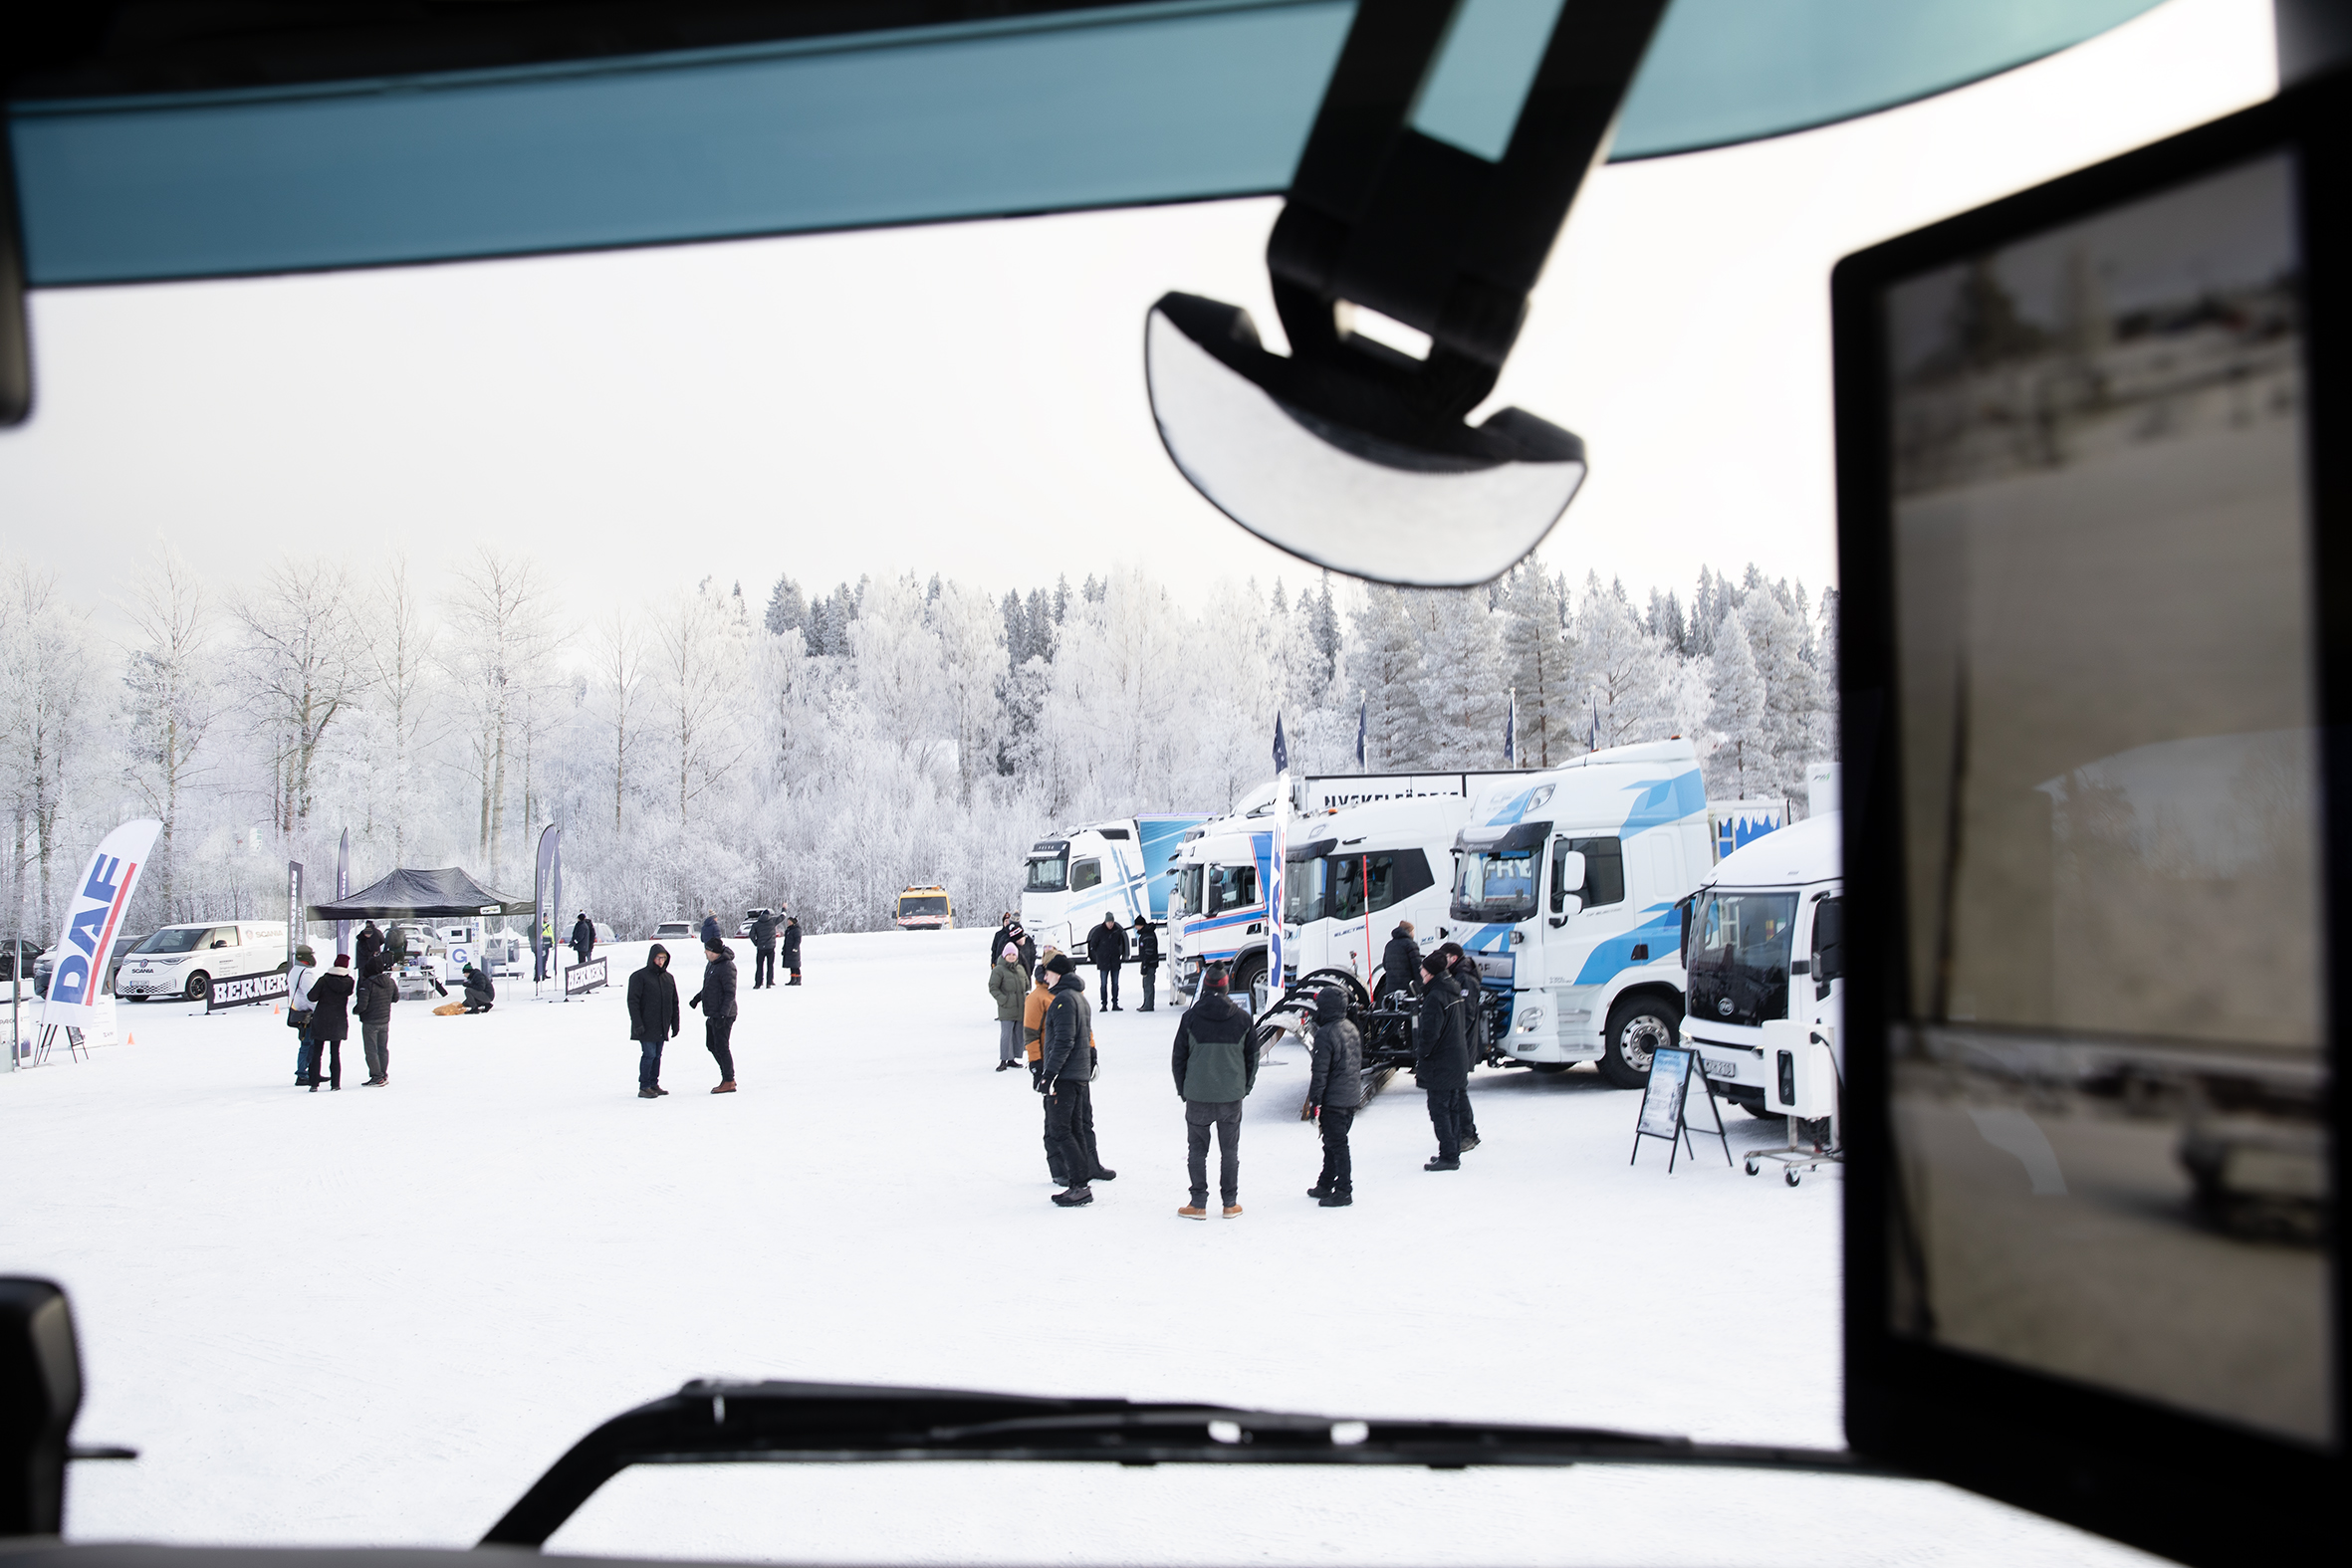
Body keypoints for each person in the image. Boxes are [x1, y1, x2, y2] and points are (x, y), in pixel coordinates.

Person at [1171, 962, 1256, 1220]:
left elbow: (1178, 1059)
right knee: (1230, 1151)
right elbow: (1252, 1058)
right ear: (1226, 987)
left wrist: (1184, 1089)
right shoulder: (1243, 1018)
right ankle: (1230, 1204)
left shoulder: (1190, 1017)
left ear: (1205, 987)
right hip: (1231, 1096)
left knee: (1197, 1150)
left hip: (1198, 1095)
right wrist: (1245, 1087)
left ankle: (1198, 1203)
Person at [1038, 954, 1112, 1207]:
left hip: (1066, 1077)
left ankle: (1079, 1184)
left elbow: (1064, 1041)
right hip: (1078, 1076)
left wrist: (1049, 1075)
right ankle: (1080, 1182)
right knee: (1076, 1128)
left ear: (1058, 974)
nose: (1044, 977)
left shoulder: (1063, 1000)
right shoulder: (1079, 998)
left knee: (1061, 1129)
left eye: (1047, 972)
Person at [1304, 986, 1364, 1207]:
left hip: (1334, 1099)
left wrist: (1314, 1101)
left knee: (1337, 1144)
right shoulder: (1351, 1027)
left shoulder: (1325, 1033)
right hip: (1349, 1097)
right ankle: (1325, 1183)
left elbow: (1320, 1072)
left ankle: (1343, 1190)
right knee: (1331, 1143)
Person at [1415, 954, 1470, 1171]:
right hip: (1456, 1059)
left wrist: (1422, 1055)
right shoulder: (1452, 990)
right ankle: (1451, 1151)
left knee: (1440, 1110)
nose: (1420, 974)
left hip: (1441, 1062)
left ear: (1431, 973)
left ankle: (1448, 1155)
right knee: (1453, 1108)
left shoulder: (1435, 997)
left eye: (1423, 971)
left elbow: (1429, 1034)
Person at [1023, 948, 1067, 1183]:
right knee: (1053, 1119)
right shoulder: (1038, 997)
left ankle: (1085, 1162)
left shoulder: (1063, 993)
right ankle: (1058, 1168)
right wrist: (1036, 1064)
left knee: (1076, 1118)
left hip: (1067, 1063)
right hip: (1049, 1062)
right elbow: (1030, 1034)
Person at [1437, 940, 1485, 1152]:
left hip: (1461, 1044)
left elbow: (1467, 1014)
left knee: (1458, 1090)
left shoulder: (1465, 978)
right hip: (1459, 1043)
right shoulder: (1459, 974)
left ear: (1453, 958)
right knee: (1457, 1089)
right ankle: (1464, 1131)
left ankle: (1468, 1133)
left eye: (1444, 957)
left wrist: (1452, 1037)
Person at [626, 943, 680, 1098]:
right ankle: (644, 1086)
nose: (661, 961)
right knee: (649, 1054)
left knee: (657, 1055)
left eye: (663, 958)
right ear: (652, 958)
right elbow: (633, 1002)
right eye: (658, 958)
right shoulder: (639, 977)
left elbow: (674, 1002)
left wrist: (675, 1023)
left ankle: (653, 1083)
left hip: (662, 1024)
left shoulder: (668, 978)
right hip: (646, 1024)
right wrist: (637, 1023)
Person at [688, 940, 739, 1092]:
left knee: (722, 1047)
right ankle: (728, 1076)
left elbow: (730, 993)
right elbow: (709, 988)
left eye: (707, 950)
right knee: (711, 1045)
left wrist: (723, 1015)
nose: (705, 953)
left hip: (724, 1014)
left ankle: (728, 1080)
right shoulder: (712, 964)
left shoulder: (726, 967)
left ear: (714, 951)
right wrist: (697, 998)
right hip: (713, 1013)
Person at [306, 955, 356, 1092]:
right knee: (335, 1053)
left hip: (321, 1018)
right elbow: (349, 994)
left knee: (317, 1052)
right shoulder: (350, 981)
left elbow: (311, 996)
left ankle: (314, 1083)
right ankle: (335, 1084)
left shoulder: (324, 979)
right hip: (338, 1019)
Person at [355, 954, 398, 1087]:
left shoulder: (367, 984)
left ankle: (376, 1076)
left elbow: (362, 1005)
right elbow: (395, 998)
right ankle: (383, 1073)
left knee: (371, 1050)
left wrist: (356, 1011)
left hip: (370, 1020)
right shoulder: (390, 981)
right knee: (382, 1048)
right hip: (385, 1019)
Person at [988, 942, 1029, 1071]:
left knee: (1017, 1034)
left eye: (1013, 954)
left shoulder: (1020, 969)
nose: (1011, 957)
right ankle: (1003, 1060)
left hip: (1020, 1008)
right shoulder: (998, 970)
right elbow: (993, 988)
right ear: (1004, 955)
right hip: (1006, 1008)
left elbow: (1027, 985)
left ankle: (1013, 1059)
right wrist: (1003, 1000)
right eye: (1009, 954)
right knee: (1006, 1035)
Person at [288, 944, 322, 1086]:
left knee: (306, 1044)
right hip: (308, 1013)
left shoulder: (294, 970)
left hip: (299, 1010)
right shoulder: (306, 973)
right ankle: (303, 1073)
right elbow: (311, 996)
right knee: (308, 1045)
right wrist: (318, 1010)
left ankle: (309, 1072)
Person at [1086, 911, 1126, 1010]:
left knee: (1115, 983)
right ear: (1105, 922)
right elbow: (1093, 945)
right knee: (1104, 984)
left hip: (1115, 962)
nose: (1111, 924)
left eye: (1112, 922)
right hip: (1103, 962)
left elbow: (1120, 944)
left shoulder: (1117, 931)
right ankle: (1104, 1004)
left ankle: (1115, 1003)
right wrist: (1100, 956)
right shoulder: (1099, 931)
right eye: (1109, 922)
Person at [1377, 921, 1421, 1003]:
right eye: (1413, 931)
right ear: (1409, 932)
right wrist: (1420, 987)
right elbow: (1417, 967)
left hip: (1391, 988)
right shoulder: (1410, 944)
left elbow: (1385, 965)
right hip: (1407, 988)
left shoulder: (1389, 945)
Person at [1134, 919, 1161, 1012]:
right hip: (1149, 963)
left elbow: (1148, 951)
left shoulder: (1147, 936)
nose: (1135, 927)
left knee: (1148, 984)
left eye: (1136, 925)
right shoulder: (1145, 934)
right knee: (1146, 984)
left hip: (1149, 963)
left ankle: (1148, 1005)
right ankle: (1146, 1003)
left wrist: (1145, 963)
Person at [750, 908, 778, 990]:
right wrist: (784, 910)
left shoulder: (756, 924)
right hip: (770, 947)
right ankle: (769, 982)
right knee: (770, 965)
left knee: (759, 965)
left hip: (761, 947)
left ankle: (758, 983)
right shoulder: (772, 921)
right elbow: (782, 917)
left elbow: (751, 935)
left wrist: (756, 943)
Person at [780, 915, 803, 986]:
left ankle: (798, 980)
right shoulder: (788, 930)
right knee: (791, 965)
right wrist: (784, 949)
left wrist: (795, 948)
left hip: (794, 950)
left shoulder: (796, 930)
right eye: (788, 922)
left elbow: (797, 940)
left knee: (796, 965)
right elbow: (786, 941)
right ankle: (793, 979)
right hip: (788, 950)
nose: (788, 923)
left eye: (789, 922)